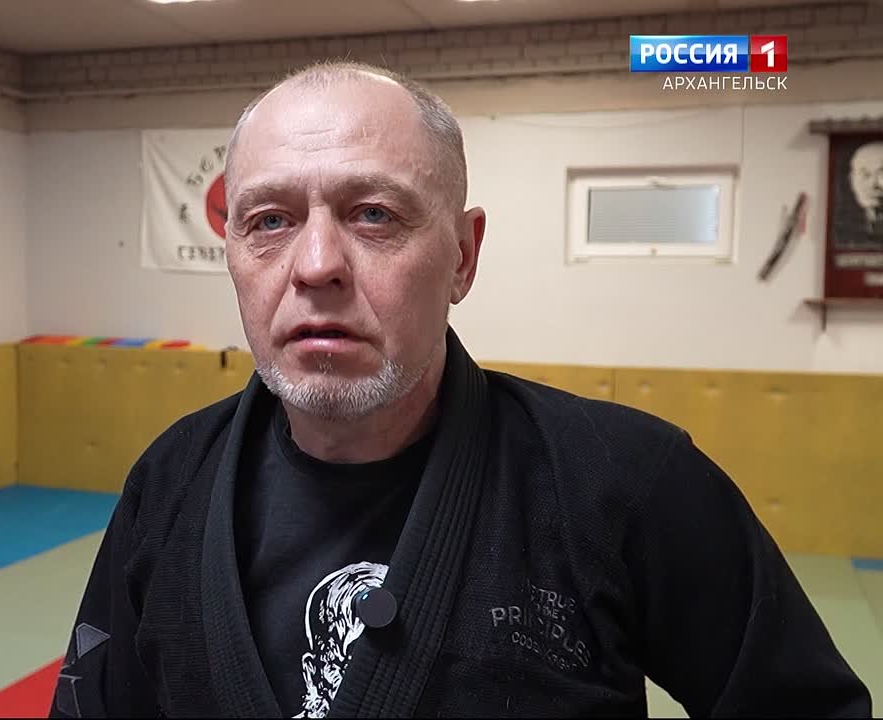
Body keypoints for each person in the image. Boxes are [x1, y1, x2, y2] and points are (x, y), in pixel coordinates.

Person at [49, 61, 871, 718]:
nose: (316, 265)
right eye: (269, 220)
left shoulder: (625, 484)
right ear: (232, 251)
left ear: (463, 258)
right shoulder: (170, 482)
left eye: (374, 214)